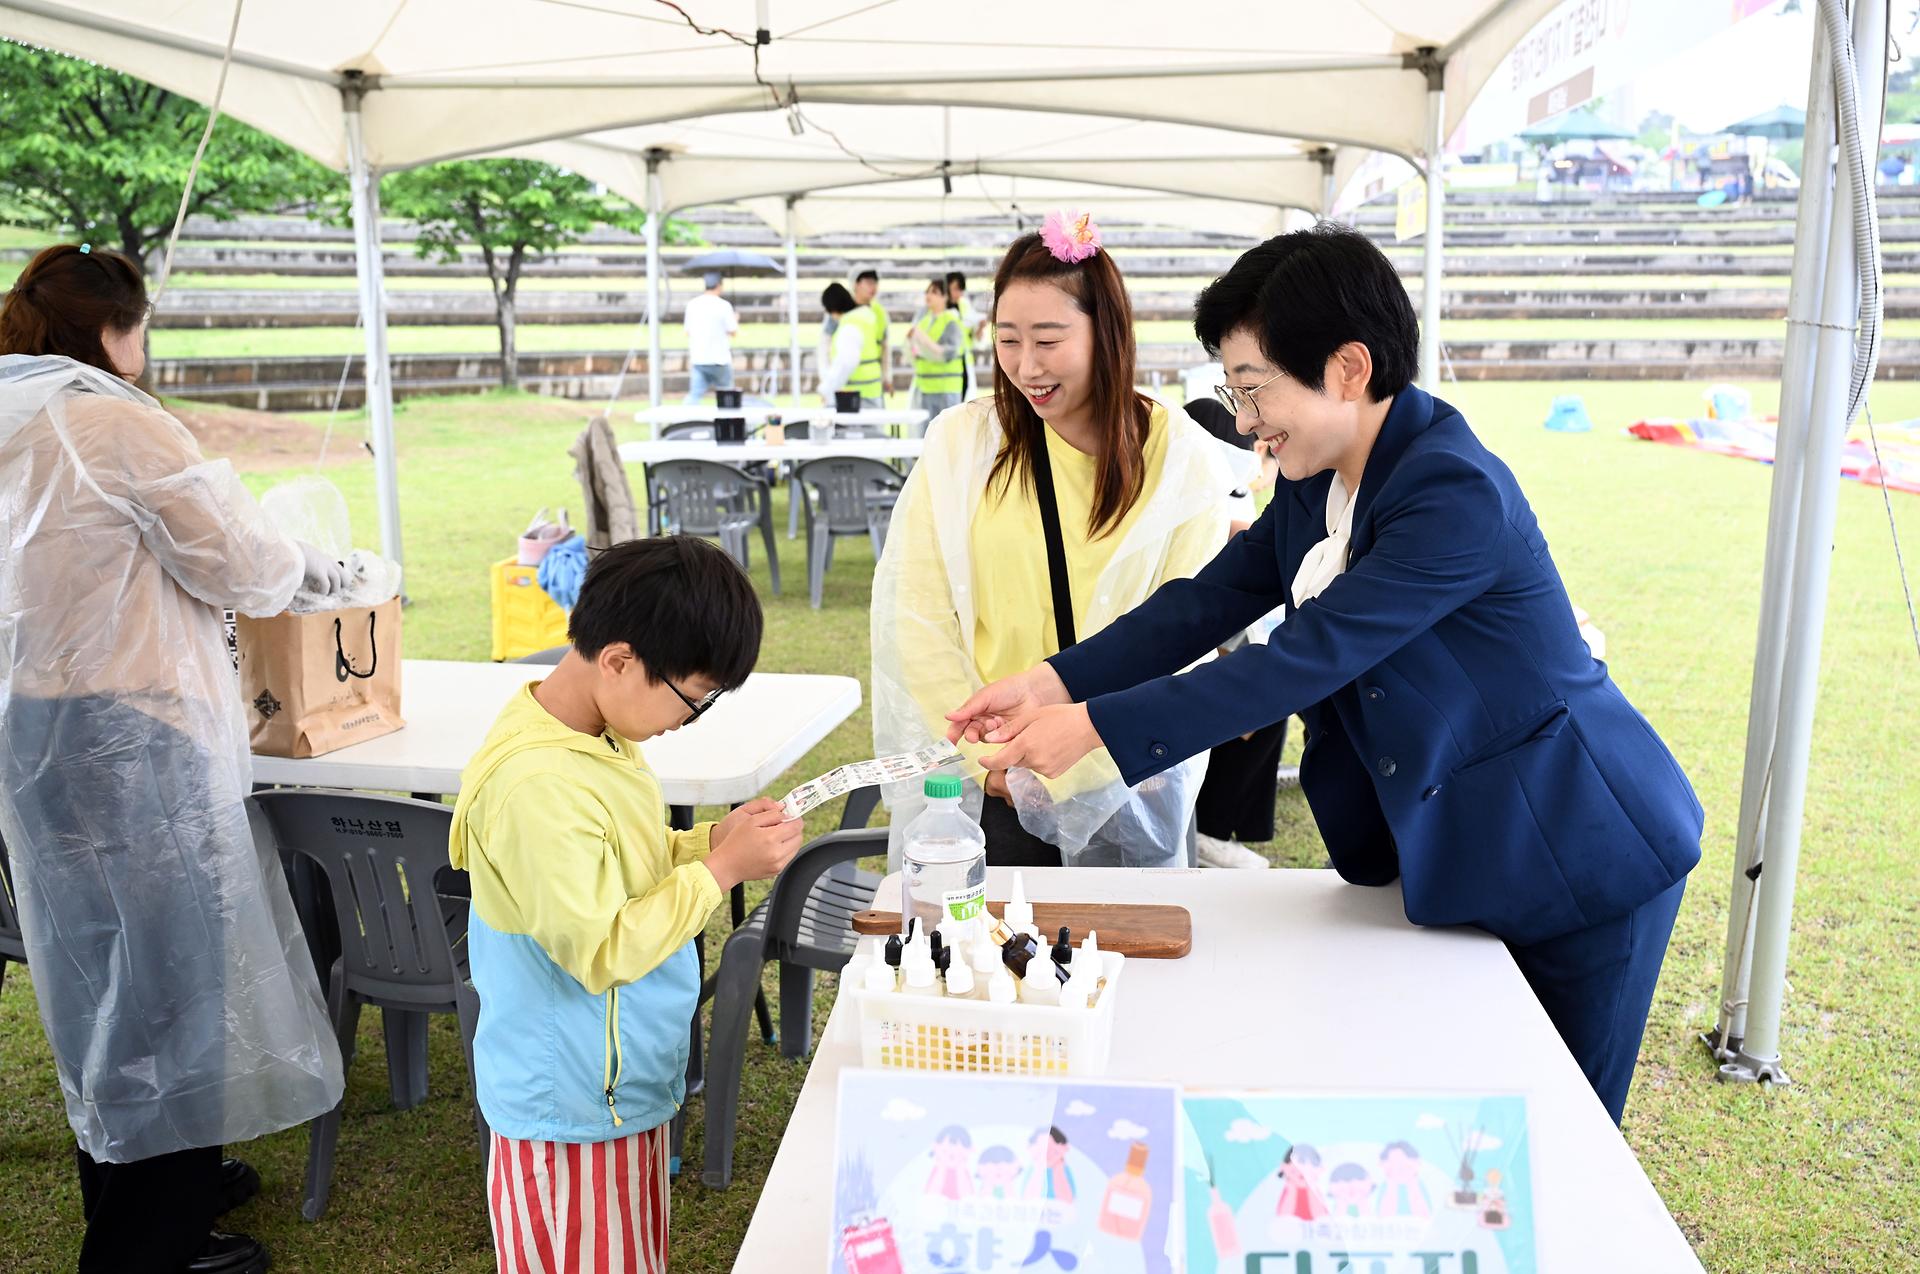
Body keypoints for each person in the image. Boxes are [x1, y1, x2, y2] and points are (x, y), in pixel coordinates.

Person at [946, 223, 1702, 1123]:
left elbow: (1305, 658)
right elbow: (1204, 603)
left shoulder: (1452, 491)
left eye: (1254, 388)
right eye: (1232, 390)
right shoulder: (1319, 477)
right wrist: (1053, 683)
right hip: (1452, 847)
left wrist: (1095, 731)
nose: (1243, 419)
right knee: (1457, 1116)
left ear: (1348, 367)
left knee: (1560, 1127)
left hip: (1579, 850)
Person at [0, 243, 350, 1274]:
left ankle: (149, 1172)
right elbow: (242, 561)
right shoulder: (114, 419)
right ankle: (152, 1239)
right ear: (112, 328)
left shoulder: (10, 409)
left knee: (97, 973)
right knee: (175, 984)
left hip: (33, 737)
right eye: (139, 324)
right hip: (131, 738)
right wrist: (316, 564)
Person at [450, 535, 804, 1274]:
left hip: (612, 1089)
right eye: (691, 701)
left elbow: (625, 858)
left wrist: (714, 841)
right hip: (568, 1106)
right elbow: (602, 947)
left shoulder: (598, 734)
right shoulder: (538, 787)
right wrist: (718, 873)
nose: (688, 719)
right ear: (617, 659)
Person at [870, 212, 1233, 869]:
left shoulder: (1181, 458)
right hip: (991, 781)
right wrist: (992, 766)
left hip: (1128, 775)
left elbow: (1185, 638)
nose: (1026, 366)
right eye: (1009, 341)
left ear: (1106, 332)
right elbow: (917, 616)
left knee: (1124, 962)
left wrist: (1076, 764)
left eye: (1049, 339)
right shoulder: (963, 444)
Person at [1182, 396, 1285, 871]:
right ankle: (1211, 829)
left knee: (1265, 705)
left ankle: (1219, 827)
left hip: (1226, 624)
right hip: (1210, 629)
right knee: (1257, 707)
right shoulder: (1214, 498)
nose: (1268, 458)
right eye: (1261, 449)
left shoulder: (1224, 488)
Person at [907, 276, 965, 427]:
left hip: (946, 389)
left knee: (947, 439)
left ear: (945, 296)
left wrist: (923, 339)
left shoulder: (951, 321)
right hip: (925, 388)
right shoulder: (924, 321)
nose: (928, 296)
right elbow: (915, 351)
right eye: (927, 292)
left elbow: (949, 353)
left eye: (934, 292)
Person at [817, 282, 879, 407]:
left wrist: (826, 390)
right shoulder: (864, 318)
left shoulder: (849, 326)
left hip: (854, 400)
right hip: (870, 394)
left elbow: (846, 362)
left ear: (832, 309)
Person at [682, 270, 738, 402]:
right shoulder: (724, 306)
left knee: (694, 395)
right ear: (719, 286)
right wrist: (735, 319)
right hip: (720, 359)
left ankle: (684, 420)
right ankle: (728, 422)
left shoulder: (692, 305)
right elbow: (733, 331)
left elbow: (687, 331)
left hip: (699, 358)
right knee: (727, 396)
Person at [850, 267, 891, 400]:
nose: (873, 287)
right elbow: (825, 344)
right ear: (855, 284)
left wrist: (887, 377)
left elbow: (885, 348)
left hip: (873, 386)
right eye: (868, 282)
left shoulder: (880, 312)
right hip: (846, 385)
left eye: (875, 283)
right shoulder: (841, 308)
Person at [946, 270, 983, 397]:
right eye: (955, 289)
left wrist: (980, 327)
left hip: (964, 361)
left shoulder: (965, 305)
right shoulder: (940, 307)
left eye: (960, 290)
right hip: (947, 362)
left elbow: (974, 337)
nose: (958, 294)